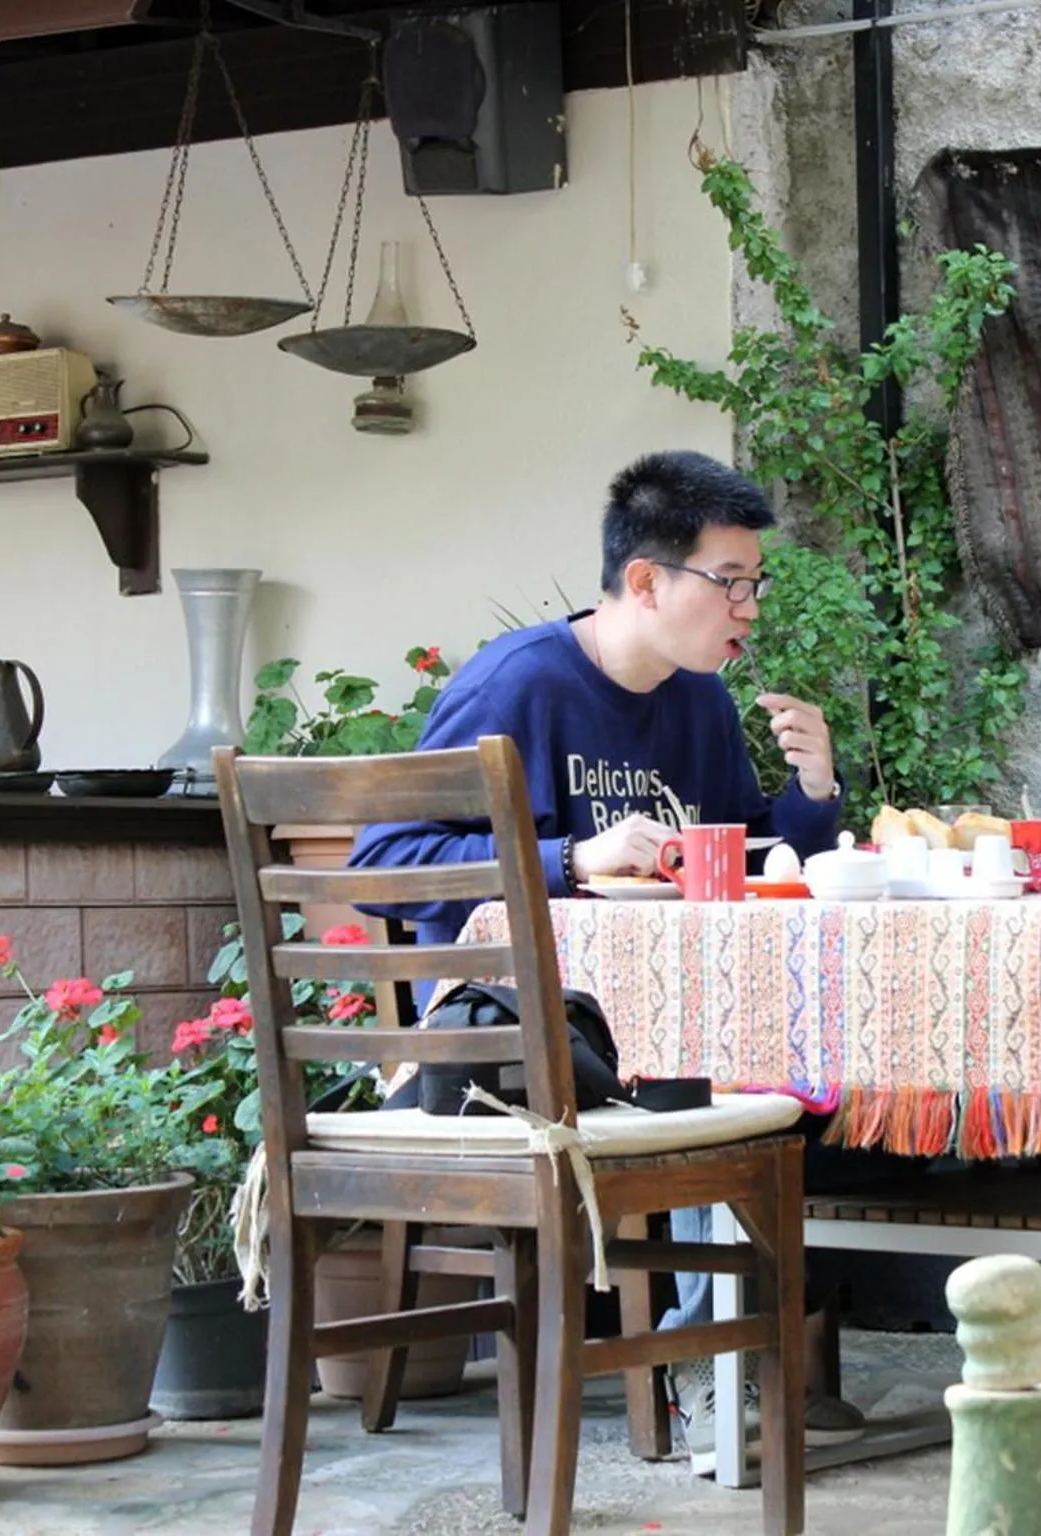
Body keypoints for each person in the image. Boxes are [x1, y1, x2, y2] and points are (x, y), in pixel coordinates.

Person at [349, 448, 864, 1466]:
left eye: (754, 584)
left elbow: (737, 861)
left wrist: (810, 797)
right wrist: (567, 856)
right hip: (514, 1055)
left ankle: (706, 1358)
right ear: (644, 581)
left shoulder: (698, 701)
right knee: (719, 1091)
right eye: (730, 582)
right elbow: (386, 862)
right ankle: (699, 1366)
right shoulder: (518, 684)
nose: (749, 607)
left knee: (828, 1088)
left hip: (662, 1029)